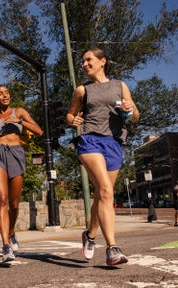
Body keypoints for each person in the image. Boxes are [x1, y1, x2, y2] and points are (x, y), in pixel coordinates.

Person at [66, 48, 140, 266]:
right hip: (90, 140)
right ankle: (112, 248)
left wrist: (130, 109)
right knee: (106, 191)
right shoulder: (82, 90)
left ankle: (89, 236)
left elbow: (135, 117)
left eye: (88, 60)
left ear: (102, 61)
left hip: (114, 142)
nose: (84, 64)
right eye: (82, 61)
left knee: (102, 194)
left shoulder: (120, 86)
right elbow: (70, 114)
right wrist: (72, 120)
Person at [0, 85, 43, 262]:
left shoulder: (19, 112)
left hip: (15, 153)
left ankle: (11, 232)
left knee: (14, 203)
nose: (4, 96)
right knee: (2, 198)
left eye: (6, 93)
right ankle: (6, 246)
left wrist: (18, 123)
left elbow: (38, 130)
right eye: (0, 94)